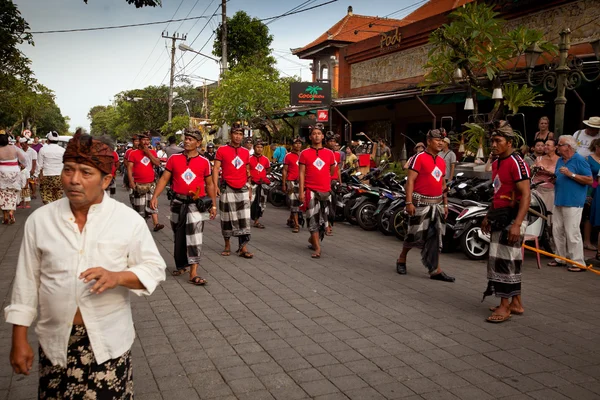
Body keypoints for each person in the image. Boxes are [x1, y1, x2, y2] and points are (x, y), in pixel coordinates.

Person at [5, 132, 166, 398]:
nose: (74, 180)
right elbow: (26, 282)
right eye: (69, 170)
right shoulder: (40, 220)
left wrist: (119, 277)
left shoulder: (127, 220)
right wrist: (19, 338)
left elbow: (154, 268)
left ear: (105, 180)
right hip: (54, 344)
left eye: (85, 172)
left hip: (109, 345)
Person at [151, 128, 216, 285]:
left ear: (198, 143)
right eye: (186, 138)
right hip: (177, 203)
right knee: (178, 235)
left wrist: (213, 205)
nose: (187, 141)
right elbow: (164, 179)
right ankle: (182, 265)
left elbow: (209, 184)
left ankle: (193, 272)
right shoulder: (174, 159)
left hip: (197, 205)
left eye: (191, 139)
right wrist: (155, 196)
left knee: (195, 237)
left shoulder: (204, 162)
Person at [481, 121, 531, 323]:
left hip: (512, 217)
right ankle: (516, 303)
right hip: (499, 215)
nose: (493, 144)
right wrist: (488, 215)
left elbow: (526, 195)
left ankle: (504, 306)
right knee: (503, 260)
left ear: (509, 142)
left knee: (505, 261)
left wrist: (517, 224)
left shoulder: (517, 163)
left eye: (498, 141)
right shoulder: (496, 163)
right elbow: (497, 192)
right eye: (492, 141)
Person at [395, 130, 455, 282]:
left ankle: (435, 269)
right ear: (429, 141)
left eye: (443, 140)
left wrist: (446, 203)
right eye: (437, 140)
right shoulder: (418, 158)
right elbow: (410, 181)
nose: (440, 143)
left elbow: (443, 184)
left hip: (437, 204)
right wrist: (408, 202)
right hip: (420, 202)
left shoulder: (441, 161)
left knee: (436, 237)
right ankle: (402, 259)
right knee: (413, 234)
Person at [550, 135, 593, 271]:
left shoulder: (579, 160)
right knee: (557, 230)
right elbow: (558, 176)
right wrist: (553, 179)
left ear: (568, 147)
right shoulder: (560, 161)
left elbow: (590, 180)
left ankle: (578, 262)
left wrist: (571, 174)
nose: (557, 147)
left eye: (560, 145)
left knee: (572, 232)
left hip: (573, 201)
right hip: (559, 199)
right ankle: (560, 258)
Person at [212, 127, 253, 258]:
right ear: (231, 135)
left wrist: (250, 188)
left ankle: (243, 247)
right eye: (235, 134)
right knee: (226, 217)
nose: (238, 137)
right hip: (227, 187)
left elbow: (248, 170)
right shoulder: (222, 150)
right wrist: (215, 185)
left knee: (244, 217)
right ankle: (227, 245)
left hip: (243, 187)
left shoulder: (246, 152)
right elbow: (216, 168)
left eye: (240, 134)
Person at [299, 125, 336, 258]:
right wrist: (301, 192)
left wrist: (325, 180)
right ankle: (318, 248)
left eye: (319, 133)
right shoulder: (304, 153)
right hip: (310, 190)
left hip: (326, 190)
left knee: (325, 218)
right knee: (312, 219)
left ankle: (312, 240)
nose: (316, 136)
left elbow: (331, 170)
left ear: (323, 136)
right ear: (310, 137)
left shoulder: (329, 153)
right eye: (314, 134)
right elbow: (302, 173)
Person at [127, 132, 164, 232]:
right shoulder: (133, 153)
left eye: (148, 140)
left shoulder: (153, 152)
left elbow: (157, 163)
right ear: (139, 141)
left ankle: (156, 224)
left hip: (151, 183)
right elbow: (129, 168)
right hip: (138, 184)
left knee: (153, 205)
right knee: (140, 208)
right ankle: (140, 227)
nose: (146, 142)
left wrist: (148, 152)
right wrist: (131, 182)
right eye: (144, 140)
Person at [0, 133, 27, 224]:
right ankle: (11, 212)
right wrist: (23, 166)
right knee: (13, 193)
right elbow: (23, 159)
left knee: (2, 194)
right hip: (14, 172)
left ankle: (5, 216)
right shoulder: (15, 148)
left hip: (2, 172)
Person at [533, 139, 559, 220]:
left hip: (550, 190)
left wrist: (545, 169)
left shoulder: (559, 160)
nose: (545, 147)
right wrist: (533, 168)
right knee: (536, 213)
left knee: (549, 214)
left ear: (555, 147)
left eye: (548, 145)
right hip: (537, 188)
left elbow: (559, 174)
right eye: (545, 145)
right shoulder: (539, 158)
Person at [37, 131, 65, 204]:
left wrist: (37, 175)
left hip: (46, 176)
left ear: (48, 140)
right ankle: (56, 212)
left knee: (46, 197)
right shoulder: (63, 150)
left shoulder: (43, 149)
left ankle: (49, 210)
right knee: (58, 198)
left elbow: (39, 165)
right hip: (59, 176)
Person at [283, 137, 303, 233]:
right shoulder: (288, 156)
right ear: (292, 145)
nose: (298, 145)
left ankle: (290, 219)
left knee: (299, 203)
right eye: (296, 143)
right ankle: (296, 225)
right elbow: (285, 170)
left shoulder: (304, 155)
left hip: (302, 182)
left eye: (299, 143)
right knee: (294, 203)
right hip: (291, 182)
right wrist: (284, 184)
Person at [249, 140, 271, 229]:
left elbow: (268, 169)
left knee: (261, 203)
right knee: (250, 202)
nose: (259, 149)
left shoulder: (266, 159)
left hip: (262, 184)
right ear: (254, 148)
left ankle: (256, 221)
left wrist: (263, 175)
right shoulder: (249, 158)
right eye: (257, 147)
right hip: (251, 184)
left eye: (261, 147)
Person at [325, 133, 341, 236]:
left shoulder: (338, 155)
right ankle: (327, 226)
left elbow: (338, 169)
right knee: (326, 204)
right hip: (325, 181)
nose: (332, 143)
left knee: (333, 204)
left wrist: (340, 181)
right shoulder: (325, 153)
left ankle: (330, 223)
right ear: (326, 142)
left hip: (334, 181)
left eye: (334, 141)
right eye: (330, 141)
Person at [19, 138, 37, 203]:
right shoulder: (19, 151)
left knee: (31, 182)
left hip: (30, 168)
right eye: (21, 144)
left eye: (23, 144)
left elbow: (34, 161)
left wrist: (33, 169)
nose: (22, 145)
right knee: (23, 183)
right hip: (22, 169)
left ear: (26, 143)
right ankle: (23, 196)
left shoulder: (32, 151)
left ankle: (34, 193)